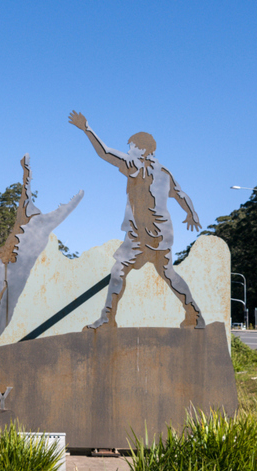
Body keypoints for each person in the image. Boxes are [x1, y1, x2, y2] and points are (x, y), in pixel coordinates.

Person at [69, 110, 205, 329]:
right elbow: (180, 194)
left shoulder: (136, 165)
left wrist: (87, 129)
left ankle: (107, 318)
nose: (128, 150)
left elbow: (105, 153)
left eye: (130, 146)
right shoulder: (164, 171)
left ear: (142, 149)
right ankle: (195, 314)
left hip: (142, 232)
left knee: (119, 270)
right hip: (163, 232)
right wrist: (191, 213)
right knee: (168, 272)